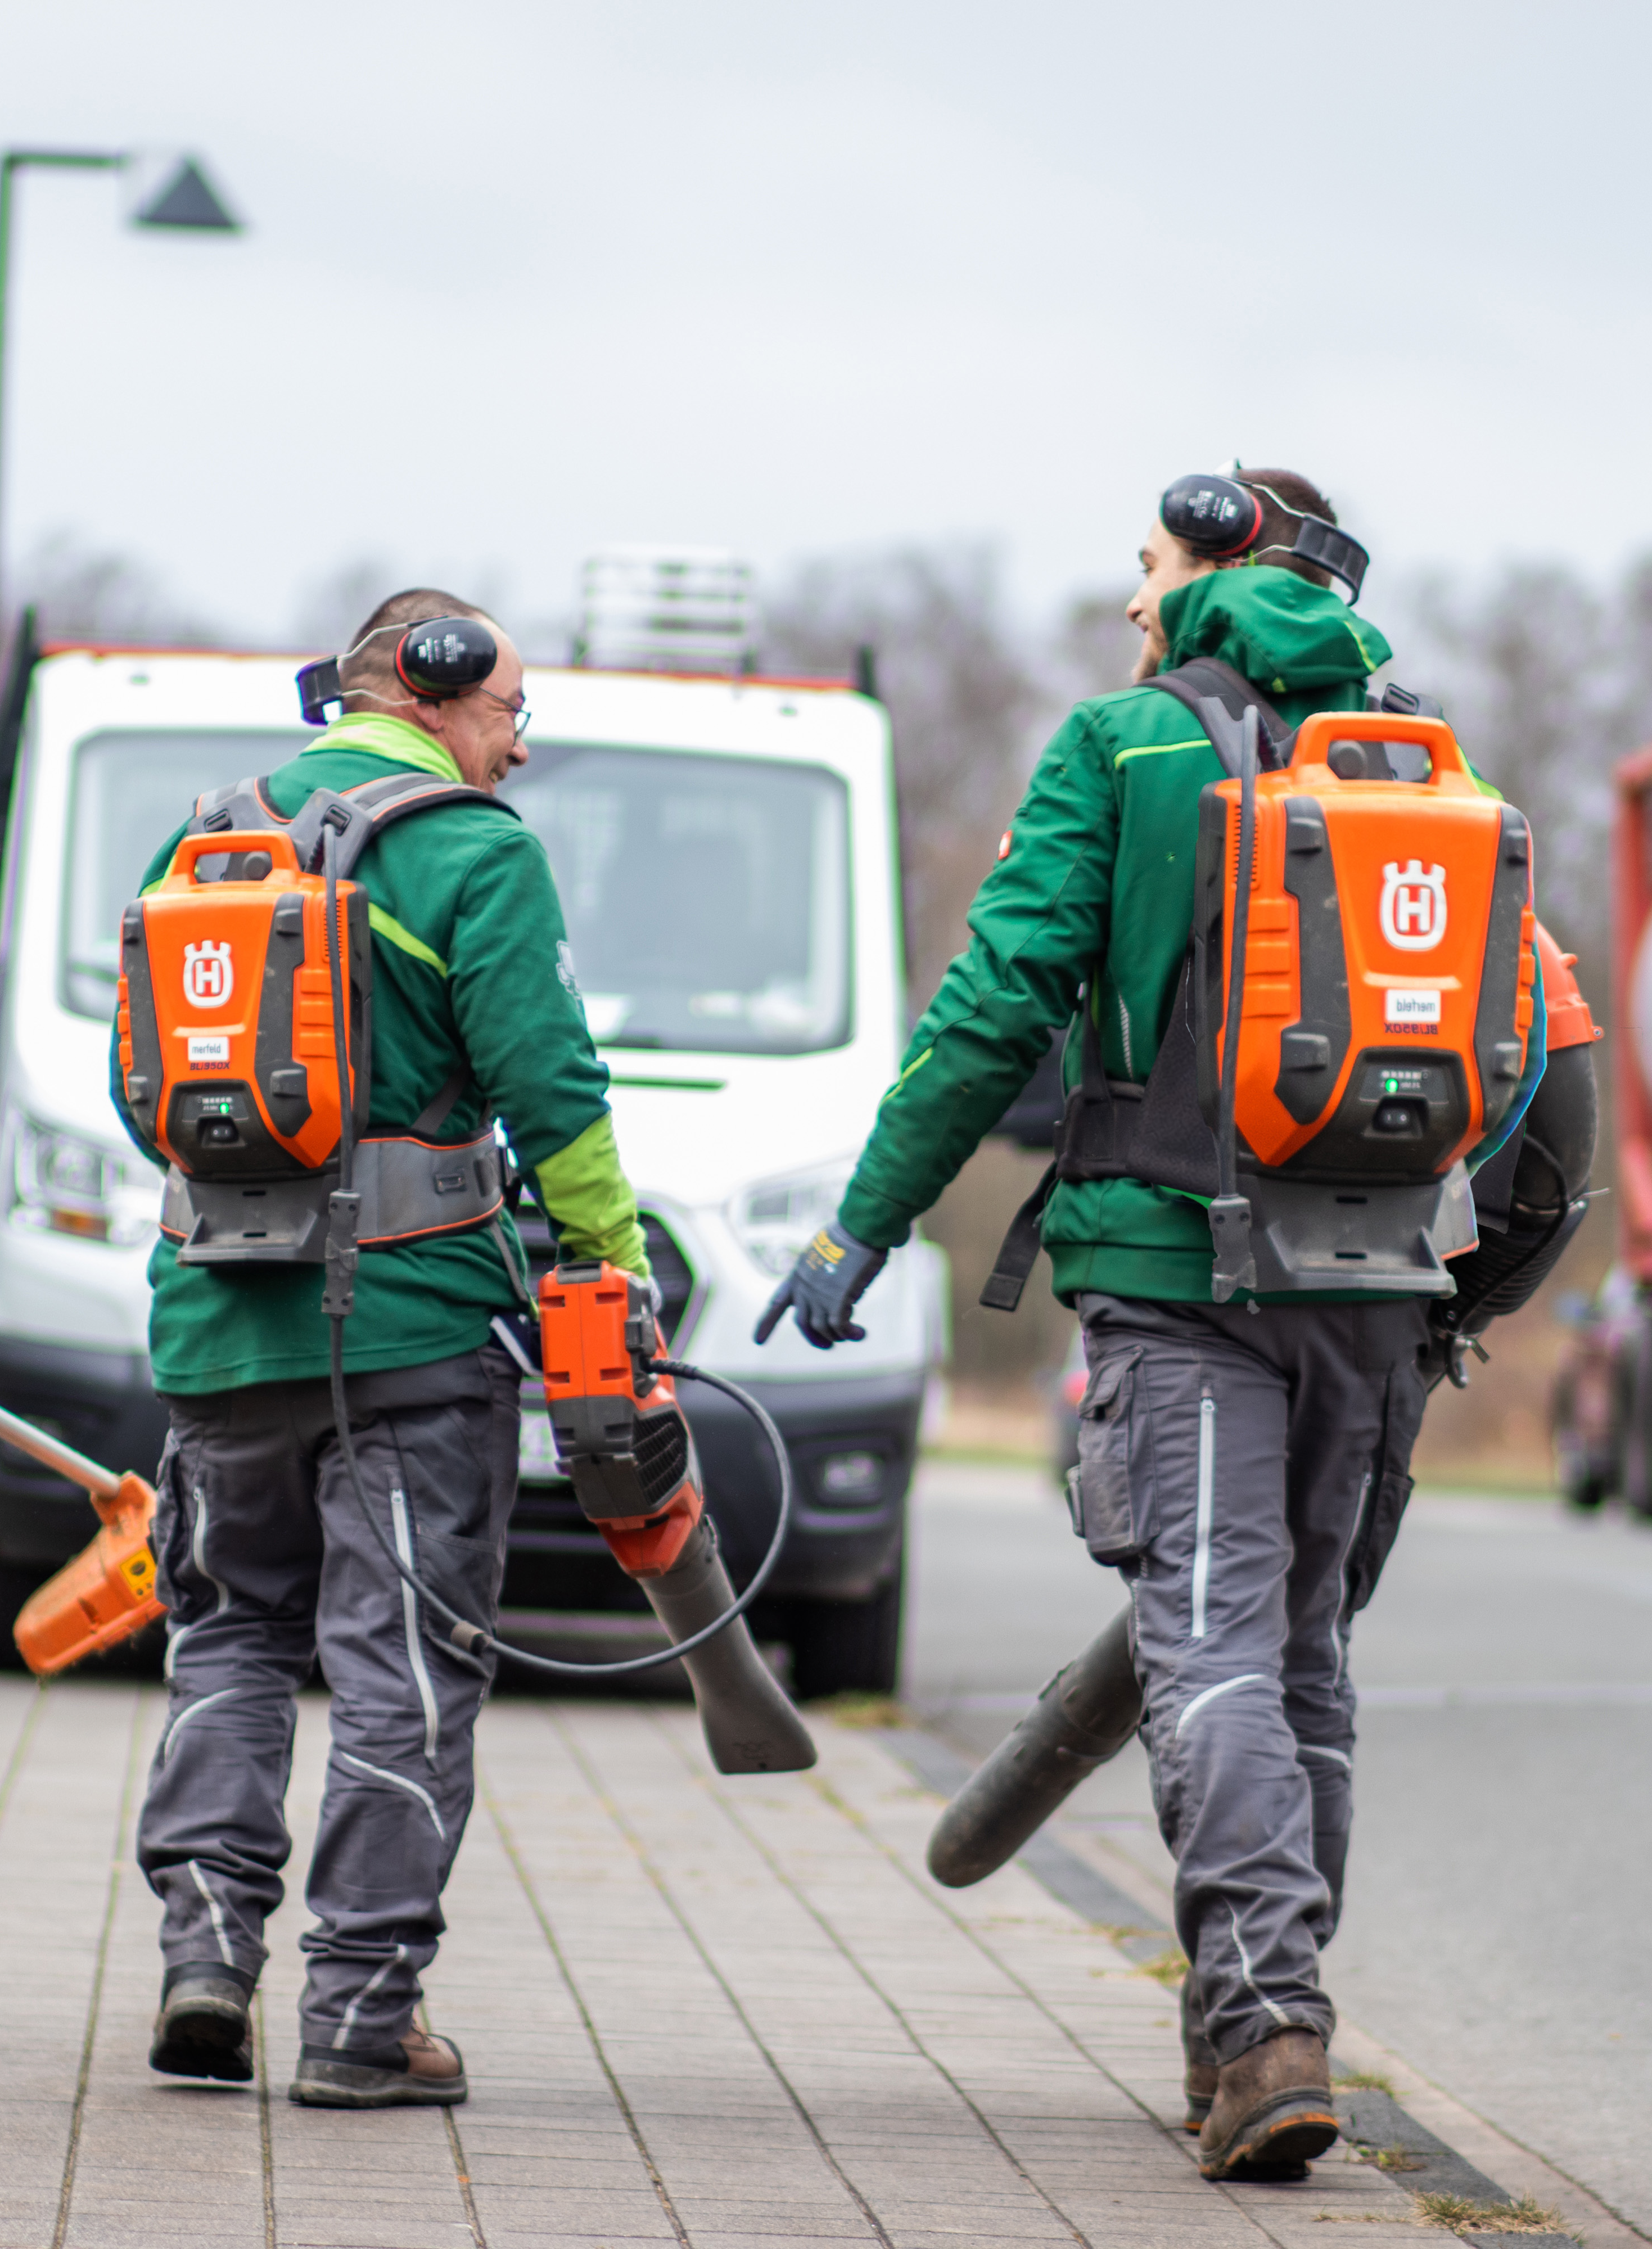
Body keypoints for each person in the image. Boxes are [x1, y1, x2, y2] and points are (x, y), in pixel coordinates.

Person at [759, 471, 1554, 2181]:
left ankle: (1264, 2028)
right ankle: (1250, 2034)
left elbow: (995, 1007)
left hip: (1180, 1279)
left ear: (1218, 563)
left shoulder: (1124, 747)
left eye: (1151, 566)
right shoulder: (1427, 758)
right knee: (1303, 1660)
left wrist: (864, 1222)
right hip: (1376, 1284)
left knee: (1209, 1652)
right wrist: (1460, 1295)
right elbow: (1537, 1063)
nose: (1133, 601)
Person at [110, 590, 649, 2110]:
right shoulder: (477, 853)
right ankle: (358, 2018)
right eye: (511, 713)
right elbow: (553, 1089)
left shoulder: (205, 839)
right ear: (435, 685)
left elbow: (140, 1086)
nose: (519, 747)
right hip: (412, 1345)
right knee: (400, 1669)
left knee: (227, 1642)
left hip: (217, 1335)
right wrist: (613, 1265)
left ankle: (205, 1961)